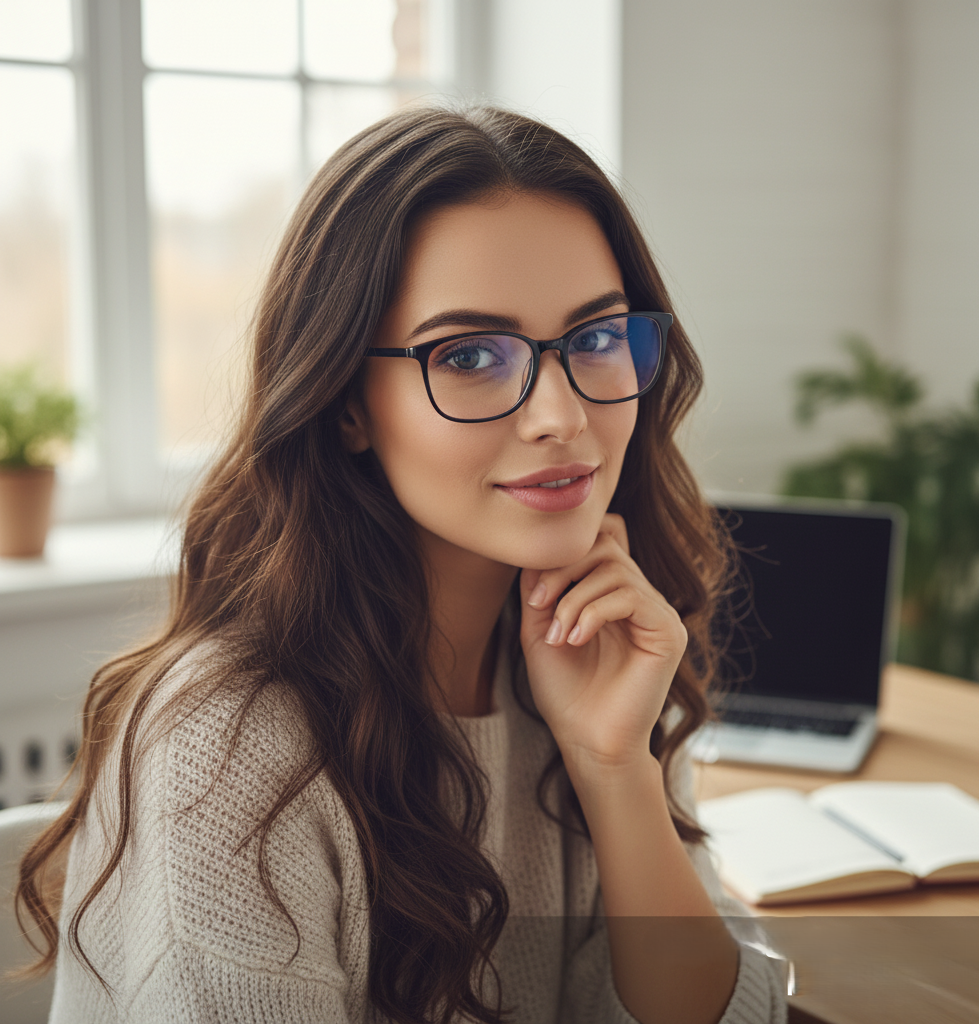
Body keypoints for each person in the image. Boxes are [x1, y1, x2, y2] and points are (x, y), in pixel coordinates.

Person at [17, 103, 787, 1024]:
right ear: (345, 403)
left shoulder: (602, 658)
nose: (561, 416)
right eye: (468, 355)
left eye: (595, 339)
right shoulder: (227, 752)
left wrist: (614, 766)